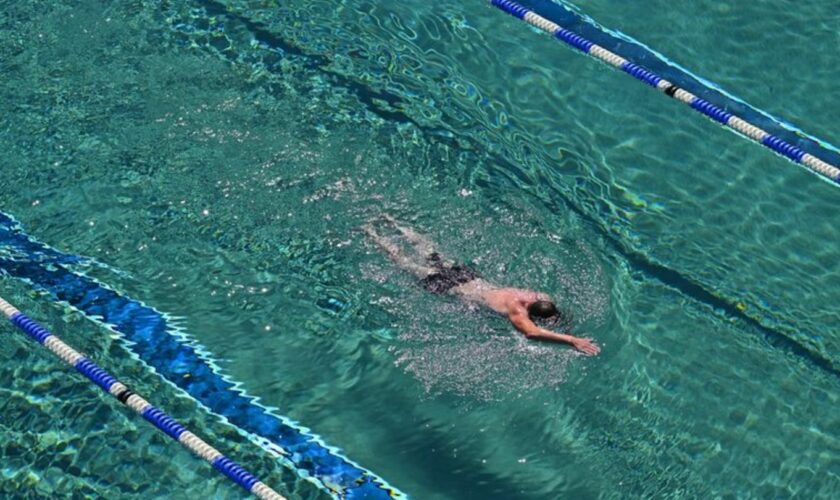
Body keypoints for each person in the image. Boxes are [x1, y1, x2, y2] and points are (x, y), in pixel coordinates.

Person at [363, 216, 600, 356]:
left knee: (431, 252)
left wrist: (566, 327)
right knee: (407, 264)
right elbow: (531, 332)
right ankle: (372, 234)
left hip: (469, 278)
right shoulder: (517, 312)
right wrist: (571, 340)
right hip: (452, 288)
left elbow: (547, 315)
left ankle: (391, 221)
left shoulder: (535, 296)